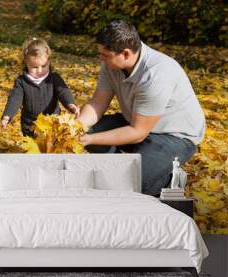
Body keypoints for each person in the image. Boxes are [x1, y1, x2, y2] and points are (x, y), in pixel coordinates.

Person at [78, 21, 205, 196]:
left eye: (105, 55)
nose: (101, 58)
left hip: (174, 134)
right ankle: (122, 170)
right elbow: (98, 102)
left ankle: (169, 180)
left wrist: (89, 139)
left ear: (125, 53)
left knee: (135, 182)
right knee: (87, 132)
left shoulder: (157, 74)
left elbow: (138, 132)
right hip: (137, 120)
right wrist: (76, 127)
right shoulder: (111, 64)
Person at [1, 37, 80, 137]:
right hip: (30, 126)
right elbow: (15, 98)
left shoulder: (54, 78)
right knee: (33, 149)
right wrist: (7, 115)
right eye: (34, 67)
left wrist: (70, 104)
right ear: (25, 63)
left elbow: (63, 92)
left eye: (44, 66)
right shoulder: (21, 82)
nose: (39, 71)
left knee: (51, 148)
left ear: (49, 62)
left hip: (52, 123)